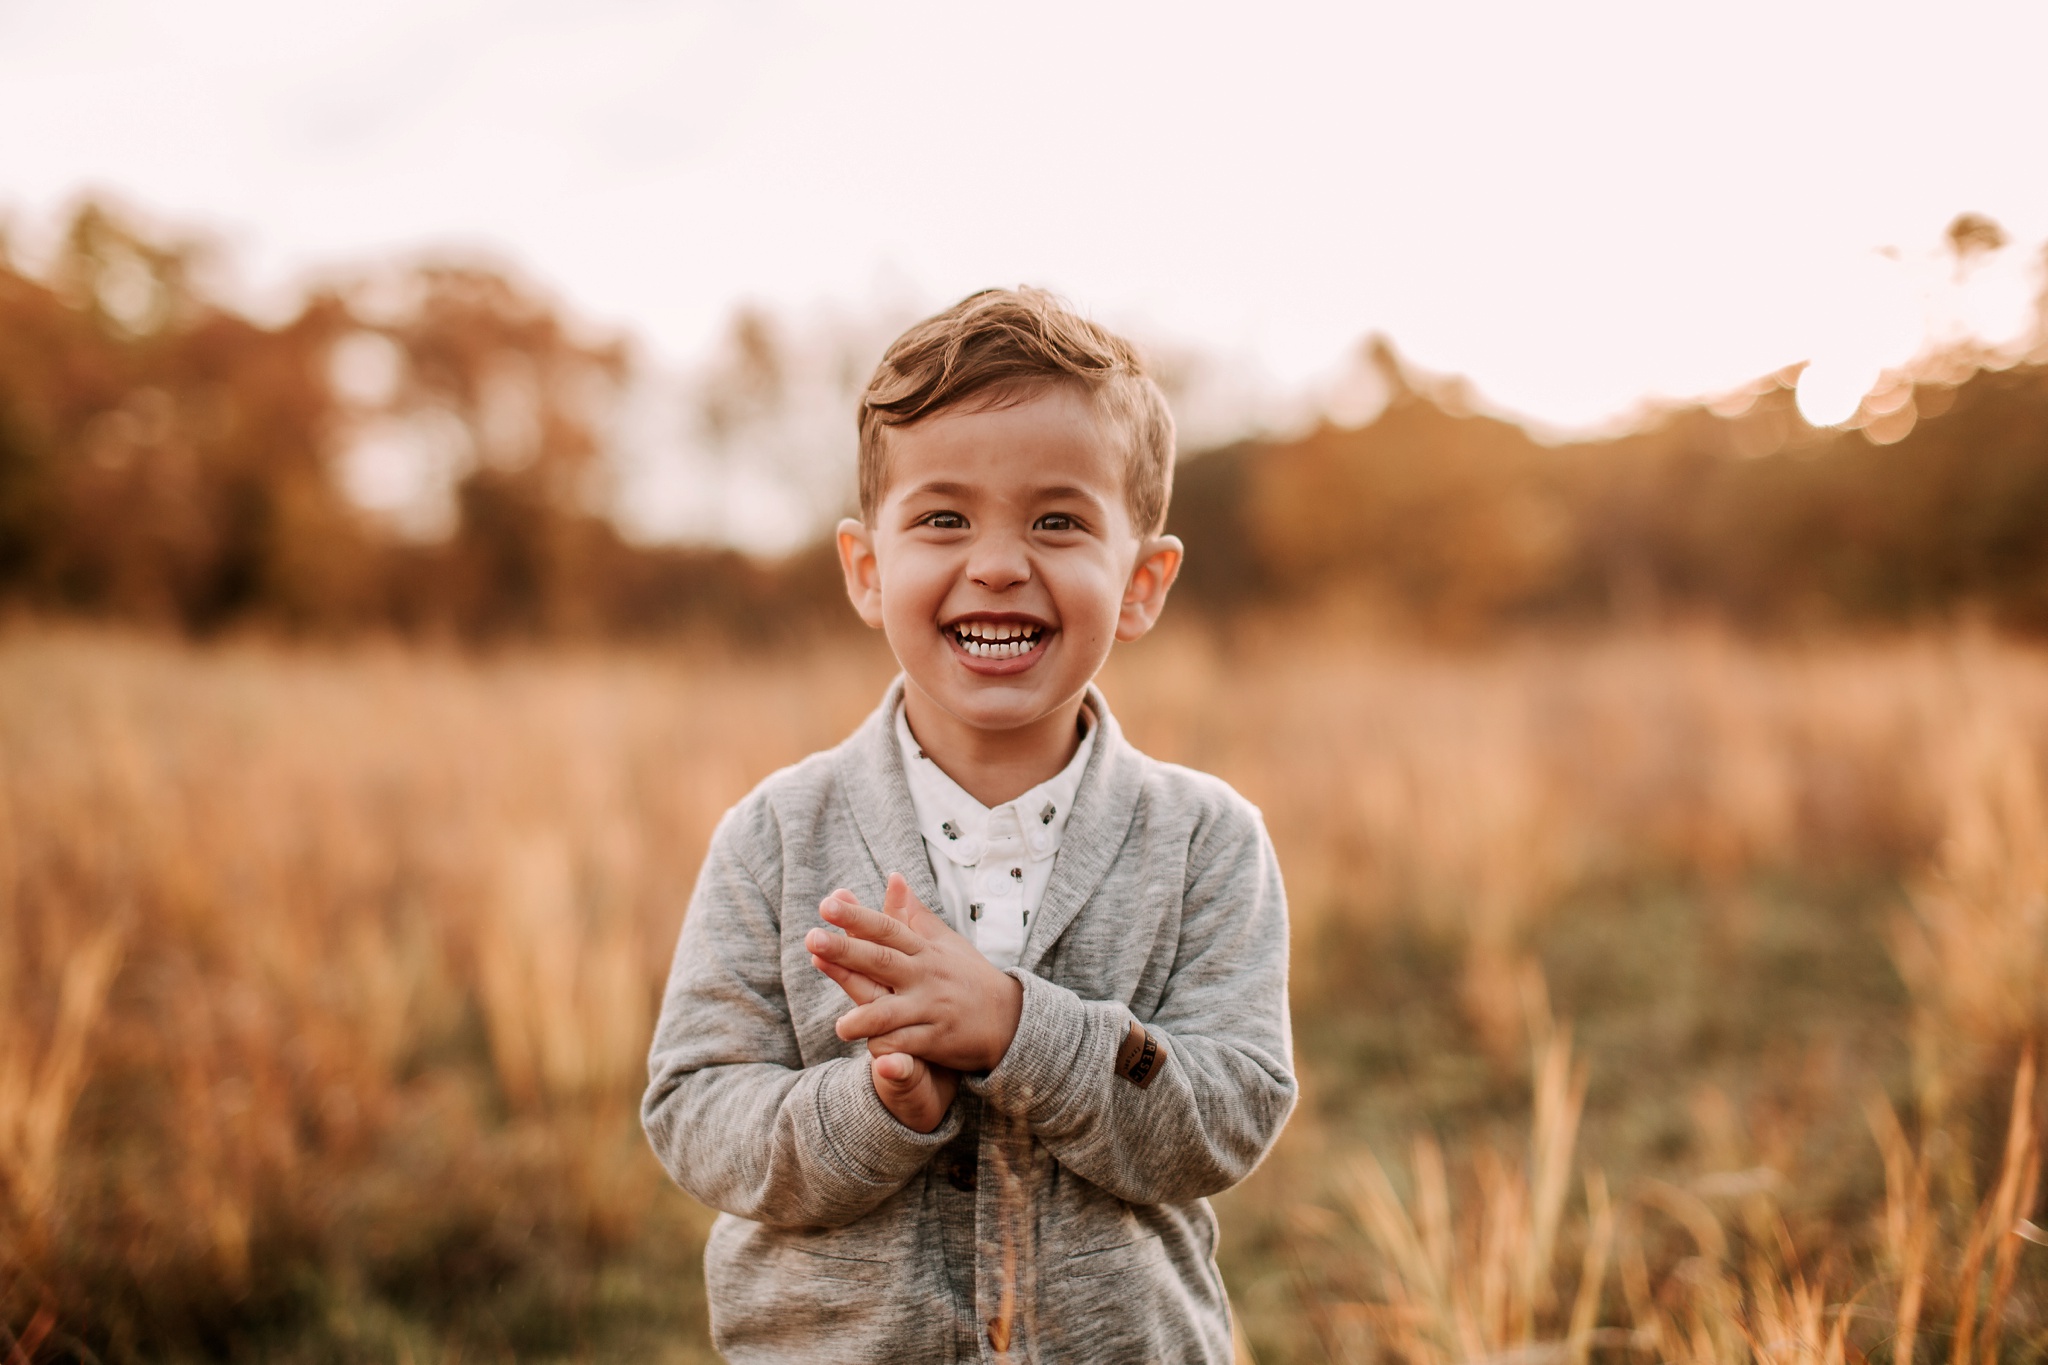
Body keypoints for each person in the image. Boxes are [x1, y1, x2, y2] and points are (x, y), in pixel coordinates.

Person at [642, 288, 1296, 1363]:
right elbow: (695, 1110)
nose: (995, 562)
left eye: (1056, 520)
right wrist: (873, 1109)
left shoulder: (1204, 842)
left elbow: (1227, 1112)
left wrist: (1012, 1026)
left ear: (1140, 584)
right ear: (866, 568)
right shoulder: (773, 835)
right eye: (943, 518)